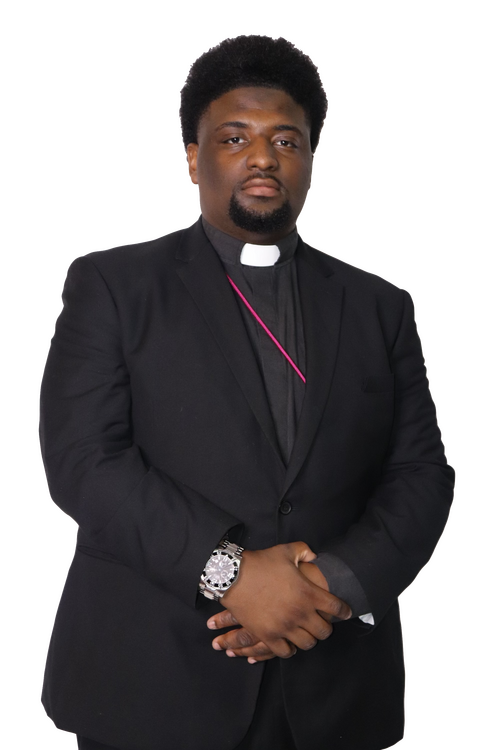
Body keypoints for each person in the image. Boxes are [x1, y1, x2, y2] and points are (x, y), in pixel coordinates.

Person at [39, 33, 455, 750]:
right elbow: (84, 463)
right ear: (192, 159)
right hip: (152, 680)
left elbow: (422, 475)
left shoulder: (380, 305)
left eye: (286, 141)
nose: (263, 157)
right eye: (235, 137)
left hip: (333, 687)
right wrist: (230, 573)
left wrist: (329, 588)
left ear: (311, 161)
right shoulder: (113, 284)